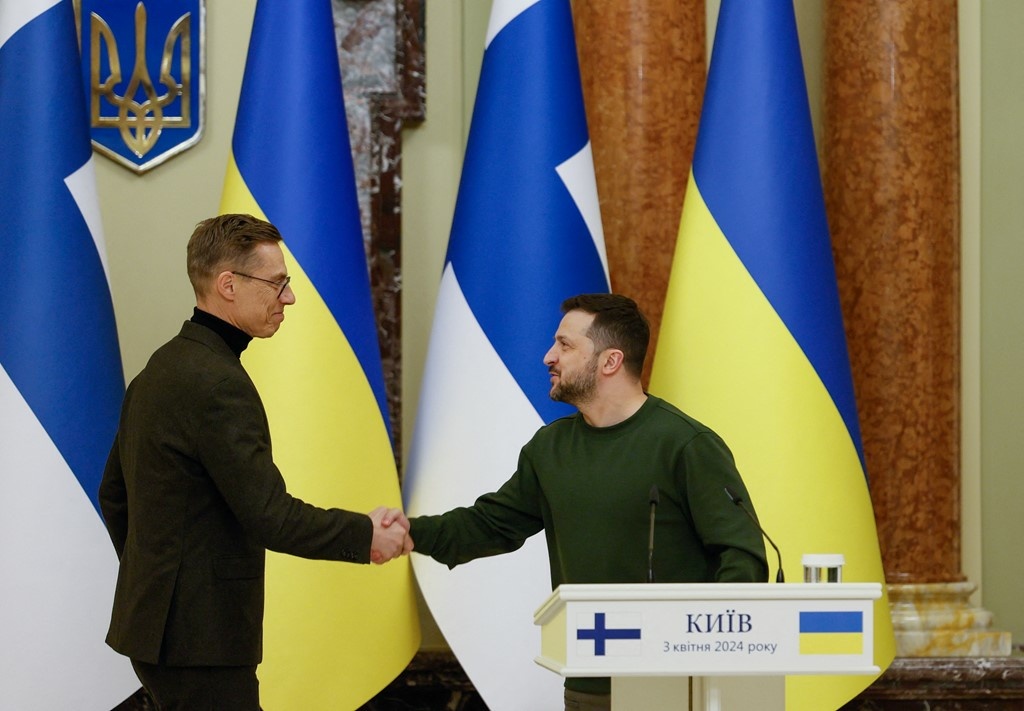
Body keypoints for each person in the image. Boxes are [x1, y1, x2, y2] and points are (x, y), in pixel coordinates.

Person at [395, 293, 768, 711]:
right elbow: (488, 525)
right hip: (588, 684)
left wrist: (710, 649)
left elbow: (742, 558)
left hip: (679, 686)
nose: (548, 357)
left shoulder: (685, 444)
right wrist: (407, 533)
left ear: (610, 361)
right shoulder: (550, 448)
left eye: (565, 345)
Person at [98, 214, 411, 710]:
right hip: (202, 640)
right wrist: (366, 534)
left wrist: (159, 581)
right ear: (228, 285)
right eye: (277, 283)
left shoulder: (161, 368)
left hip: (161, 634)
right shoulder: (217, 383)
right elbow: (270, 516)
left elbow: (114, 495)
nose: (289, 298)